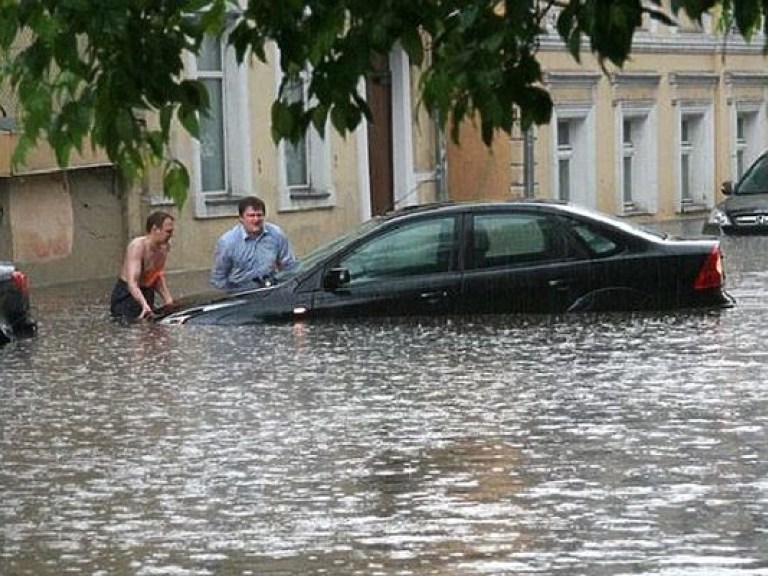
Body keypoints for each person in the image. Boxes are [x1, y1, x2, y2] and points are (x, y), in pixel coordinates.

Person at [210, 196, 297, 292]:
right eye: (251, 216)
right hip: (241, 294)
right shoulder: (228, 242)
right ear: (241, 218)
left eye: (259, 215)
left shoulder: (276, 235)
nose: (256, 220)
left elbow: (289, 266)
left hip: (271, 292)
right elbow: (218, 278)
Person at [110, 211, 175, 321]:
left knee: (151, 329)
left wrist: (168, 300)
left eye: (172, 231)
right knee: (131, 329)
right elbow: (132, 283)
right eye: (168, 231)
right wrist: (144, 305)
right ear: (155, 229)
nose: (171, 235)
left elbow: (157, 276)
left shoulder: (165, 247)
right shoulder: (138, 246)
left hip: (147, 291)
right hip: (128, 295)